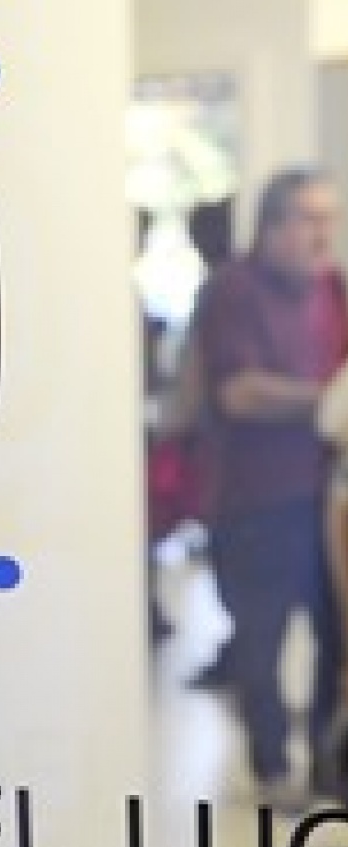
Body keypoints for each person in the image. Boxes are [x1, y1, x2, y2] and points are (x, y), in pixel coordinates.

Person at [196, 166, 348, 806]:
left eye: (329, 219)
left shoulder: (333, 288)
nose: (323, 234)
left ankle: (329, 767)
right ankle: (272, 769)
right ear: (272, 226)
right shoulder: (233, 290)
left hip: (327, 498)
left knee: (335, 636)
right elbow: (239, 392)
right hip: (255, 499)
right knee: (261, 640)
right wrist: (328, 400)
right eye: (311, 219)